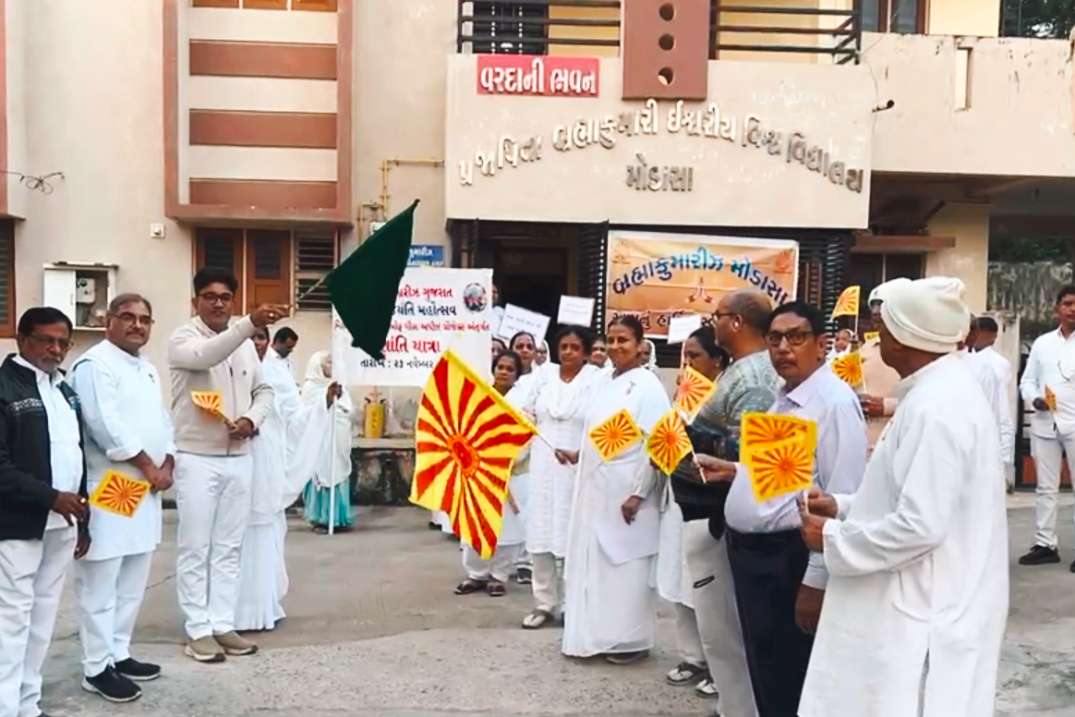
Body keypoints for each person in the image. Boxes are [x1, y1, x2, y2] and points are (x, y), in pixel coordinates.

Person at [797, 277, 1008, 717]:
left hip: (923, 608)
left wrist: (831, 539)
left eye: (882, 329)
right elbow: (904, 493)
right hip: (919, 597)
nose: (877, 340)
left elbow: (921, 525)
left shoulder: (939, 407)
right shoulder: (932, 393)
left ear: (903, 337)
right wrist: (842, 506)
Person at [696, 301, 868, 716]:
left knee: (790, 677)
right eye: (774, 339)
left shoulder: (834, 403)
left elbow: (841, 499)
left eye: (796, 337)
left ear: (822, 344)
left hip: (788, 558)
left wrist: (815, 581)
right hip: (753, 557)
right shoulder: (784, 395)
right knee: (766, 673)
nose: (783, 348)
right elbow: (784, 474)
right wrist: (735, 470)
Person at [670, 289, 778, 717]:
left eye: (717, 315)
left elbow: (744, 454)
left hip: (725, 518)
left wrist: (684, 446)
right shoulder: (740, 371)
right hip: (715, 514)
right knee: (723, 632)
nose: (712, 322)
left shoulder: (755, 379)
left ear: (736, 322)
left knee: (729, 631)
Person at [168, 268, 281, 663]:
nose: (218, 303)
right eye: (210, 296)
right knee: (195, 547)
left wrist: (251, 419)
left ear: (233, 301)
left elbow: (263, 390)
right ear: (195, 301)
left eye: (225, 297)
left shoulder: (245, 344)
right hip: (197, 458)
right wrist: (249, 324)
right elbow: (207, 355)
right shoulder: (183, 338)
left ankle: (221, 623)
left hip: (239, 458)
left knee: (230, 547)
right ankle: (197, 629)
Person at [69, 295, 175, 703]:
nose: (137, 325)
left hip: (147, 486)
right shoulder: (95, 364)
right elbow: (103, 424)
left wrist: (169, 462)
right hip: (115, 483)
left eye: (145, 319)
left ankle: (119, 652)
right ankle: (96, 667)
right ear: (107, 321)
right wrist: (149, 466)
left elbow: (162, 421)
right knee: (103, 577)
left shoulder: (146, 367)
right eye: (127, 317)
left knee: (133, 576)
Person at [561, 316, 670, 664]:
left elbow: (656, 443)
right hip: (596, 490)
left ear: (640, 345)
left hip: (628, 494)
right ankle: (597, 636)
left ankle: (629, 641)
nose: (615, 346)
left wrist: (638, 493)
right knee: (597, 566)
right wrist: (580, 454)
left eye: (623, 340)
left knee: (626, 567)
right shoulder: (605, 380)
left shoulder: (648, 385)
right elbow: (609, 435)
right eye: (611, 339)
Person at [0, 307, 90, 717]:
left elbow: (77, 456)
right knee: (12, 619)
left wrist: (83, 518)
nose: (55, 350)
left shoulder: (64, 391)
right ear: (22, 339)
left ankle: (27, 703)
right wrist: (51, 497)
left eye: (63, 343)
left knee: (43, 616)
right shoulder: (5, 387)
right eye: (46, 340)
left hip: (62, 522)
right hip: (19, 523)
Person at [235, 334, 337, 631]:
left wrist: (324, 402)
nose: (256, 343)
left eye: (261, 338)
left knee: (265, 529)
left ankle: (261, 608)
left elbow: (296, 418)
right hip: (234, 457)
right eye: (250, 337)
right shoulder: (226, 366)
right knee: (234, 532)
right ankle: (229, 612)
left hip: (268, 460)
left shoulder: (277, 372)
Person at [661, 326, 728, 699]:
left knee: (710, 588)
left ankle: (721, 668)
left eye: (695, 356)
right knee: (680, 581)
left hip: (709, 504)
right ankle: (691, 657)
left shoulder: (726, 395)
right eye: (684, 356)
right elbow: (668, 439)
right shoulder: (684, 395)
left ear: (717, 360)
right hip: (679, 500)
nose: (687, 363)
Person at [518, 326, 599, 629]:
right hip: (543, 463)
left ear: (586, 352)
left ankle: (571, 604)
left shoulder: (597, 379)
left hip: (577, 465)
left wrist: (583, 452)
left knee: (571, 535)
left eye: (575, 347)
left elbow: (602, 421)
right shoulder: (544, 376)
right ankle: (544, 603)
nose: (568, 352)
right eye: (563, 346)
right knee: (540, 532)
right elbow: (525, 410)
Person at [455, 351, 527, 597]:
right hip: (479, 471)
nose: (504, 372)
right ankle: (476, 574)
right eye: (500, 367)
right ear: (493, 369)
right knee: (477, 522)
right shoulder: (479, 397)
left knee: (507, 528)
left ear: (517, 375)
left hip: (511, 473)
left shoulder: (523, 403)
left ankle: (499, 575)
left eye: (510, 369)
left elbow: (526, 437)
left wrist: (506, 459)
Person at [1018, 285, 1075, 567]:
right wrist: (1034, 399)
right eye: (1068, 303)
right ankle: (1045, 544)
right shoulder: (1042, 344)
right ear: (1057, 309)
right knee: (1045, 488)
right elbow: (1027, 381)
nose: (1072, 309)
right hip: (1045, 422)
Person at [301, 352, 355, 534]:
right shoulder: (310, 387)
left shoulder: (338, 385)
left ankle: (339, 517)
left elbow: (348, 409)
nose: (332, 366)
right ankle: (321, 518)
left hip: (337, 436)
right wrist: (327, 399)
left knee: (336, 470)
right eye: (328, 363)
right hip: (321, 438)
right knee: (322, 472)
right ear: (318, 365)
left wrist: (338, 400)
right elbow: (308, 413)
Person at [857, 280, 910, 452]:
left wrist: (885, 406)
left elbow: (930, 401)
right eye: (873, 307)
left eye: (881, 307)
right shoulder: (865, 348)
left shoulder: (918, 350)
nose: (875, 311)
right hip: (867, 445)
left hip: (900, 443)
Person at [507, 331, 539, 584]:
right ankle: (502, 563)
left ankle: (526, 563)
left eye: (529, 346)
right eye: (520, 345)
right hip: (503, 456)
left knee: (528, 512)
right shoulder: (504, 382)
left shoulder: (543, 380)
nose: (525, 350)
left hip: (531, 458)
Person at [973, 316, 1017, 491]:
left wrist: (1005, 453)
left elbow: (1002, 409)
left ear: (992, 336)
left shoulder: (997, 365)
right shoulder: (961, 359)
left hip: (988, 428)